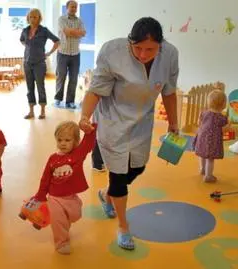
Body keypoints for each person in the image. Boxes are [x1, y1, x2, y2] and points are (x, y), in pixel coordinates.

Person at [78, 17, 179, 250]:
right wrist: (84, 116)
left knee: (138, 167)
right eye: (138, 48)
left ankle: (106, 194)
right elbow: (96, 90)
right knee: (119, 176)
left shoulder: (170, 55)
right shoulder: (112, 52)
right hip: (113, 119)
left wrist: (174, 122)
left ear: (160, 46)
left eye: (150, 50)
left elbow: (170, 92)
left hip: (142, 120)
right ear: (129, 41)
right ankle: (123, 227)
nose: (143, 54)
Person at [33, 121, 96, 255]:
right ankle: (61, 242)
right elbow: (45, 177)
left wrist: (90, 130)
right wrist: (40, 195)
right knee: (58, 220)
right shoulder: (53, 158)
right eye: (59, 140)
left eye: (67, 140)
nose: (63, 143)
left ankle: (64, 227)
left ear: (75, 141)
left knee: (75, 215)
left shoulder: (77, 155)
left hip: (71, 197)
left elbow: (88, 144)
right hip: (54, 197)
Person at [20, 8, 60, 119]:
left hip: (39, 64)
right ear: (28, 18)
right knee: (29, 88)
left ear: (39, 18)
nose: (32, 19)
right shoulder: (25, 30)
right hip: (27, 63)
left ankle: (42, 111)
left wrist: (49, 53)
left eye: (35, 17)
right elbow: (22, 40)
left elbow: (57, 41)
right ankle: (31, 111)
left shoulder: (44, 30)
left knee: (40, 87)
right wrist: (30, 48)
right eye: (30, 17)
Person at [192, 90, 229, 182]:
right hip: (213, 141)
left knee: (202, 155)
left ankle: (202, 169)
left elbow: (198, 123)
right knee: (210, 159)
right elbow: (224, 129)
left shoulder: (203, 113)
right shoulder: (221, 117)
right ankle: (208, 176)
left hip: (202, 138)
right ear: (223, 105)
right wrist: (229, 126)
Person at [55, 0, 86, 109]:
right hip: (63, 52)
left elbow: (83, 33)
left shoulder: (80, 21)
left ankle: (70, 101)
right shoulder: (61, 19)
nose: (74, 9)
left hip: (75, 54)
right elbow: (66, 32)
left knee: (73, 79)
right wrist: (76, 32)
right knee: (61, 76)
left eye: (75, 7)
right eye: (72, 6)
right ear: (67, 7)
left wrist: (73, 32)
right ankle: (58, 99)